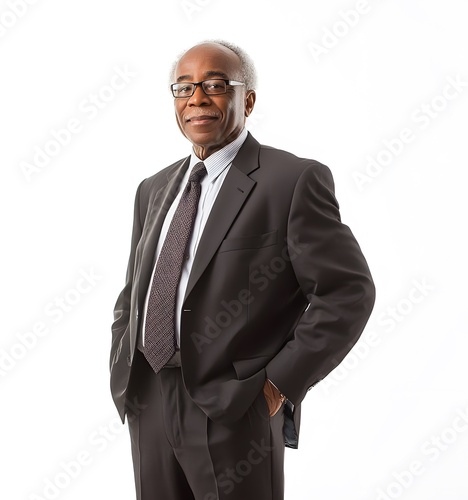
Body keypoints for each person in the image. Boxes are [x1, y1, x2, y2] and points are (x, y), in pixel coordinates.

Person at [110, 39, 375, 500]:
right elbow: (135, 290)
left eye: (215, 85)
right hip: (148, 399)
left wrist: (277, 385)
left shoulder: (291, 181)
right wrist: (122, 359)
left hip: (234, 407)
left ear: (246, 99)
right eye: (184, 87)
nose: (197, 98)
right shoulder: (151, 189)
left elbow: (347, 292)